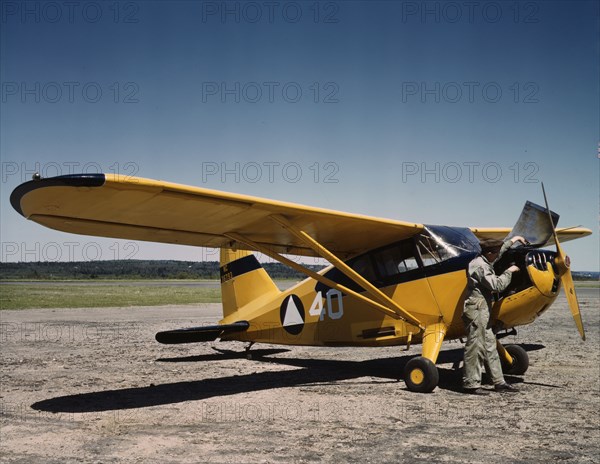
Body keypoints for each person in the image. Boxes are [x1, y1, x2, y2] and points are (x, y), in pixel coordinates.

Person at [462, 235, 527, 395]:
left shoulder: (486, 259)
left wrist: (515, 239)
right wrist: (509, 272)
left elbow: (500, 249)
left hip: (483, 310)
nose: (499, 255)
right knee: (475, 346)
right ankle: (471, 384)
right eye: (496, 253)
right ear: (490, 253)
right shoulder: (479, 266)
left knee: (490, 346)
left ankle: (499, 382)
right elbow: (496, 285)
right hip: (476, 310)